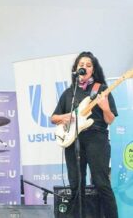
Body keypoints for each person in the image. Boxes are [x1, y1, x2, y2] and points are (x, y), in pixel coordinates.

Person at [51, 51, 118, 218]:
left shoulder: (101, 89)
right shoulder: (69, 93)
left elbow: (110, 120)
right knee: (76, 185)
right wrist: (67, 116)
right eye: (81, 65)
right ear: (76, 69)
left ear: (93, 70)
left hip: (96, 139)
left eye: (88, 65)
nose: (85, 67)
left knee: (101, 184)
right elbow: (53, 118)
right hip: (74, 140)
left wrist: (105, 108)